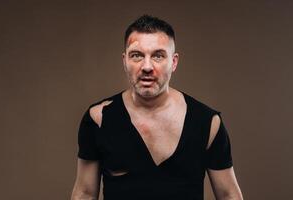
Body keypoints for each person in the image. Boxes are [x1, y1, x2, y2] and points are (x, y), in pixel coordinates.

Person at [71, 15, 243, 200]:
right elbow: (85, 194)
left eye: (158, 56)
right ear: (124, 61)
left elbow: (228, 195)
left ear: (174, 62)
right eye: (137, 55)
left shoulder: (207, 123)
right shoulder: (98, 119)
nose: (146, 66)